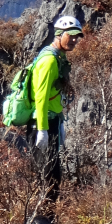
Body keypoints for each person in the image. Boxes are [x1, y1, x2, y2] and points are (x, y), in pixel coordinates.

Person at [29, 15, 84, 204]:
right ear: (59, 34)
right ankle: (42, 223)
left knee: (52, 175)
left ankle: (47, 221)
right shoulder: (50, 61)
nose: (75, 40)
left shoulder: (57, 57)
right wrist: (42, 130)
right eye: (72, 35)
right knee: (46, 176)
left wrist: (60, 121)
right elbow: (41, 97)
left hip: (52, 121)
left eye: (78, 36)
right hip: (42, 123)